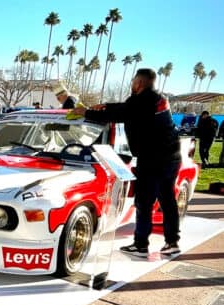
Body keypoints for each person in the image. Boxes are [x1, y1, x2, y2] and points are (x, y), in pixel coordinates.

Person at [73, 67, 182, 258]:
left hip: (153, 160)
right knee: (167, 200)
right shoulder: (156, 98)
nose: (132, 83)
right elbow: (126, 108)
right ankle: (172, 243)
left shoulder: (141, 102)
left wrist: (86, 112)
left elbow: (121, 113)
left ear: (138, 83)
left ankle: (141, 245)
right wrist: (105, 105)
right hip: (171, 157)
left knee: (144, 202)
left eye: (133, 81)